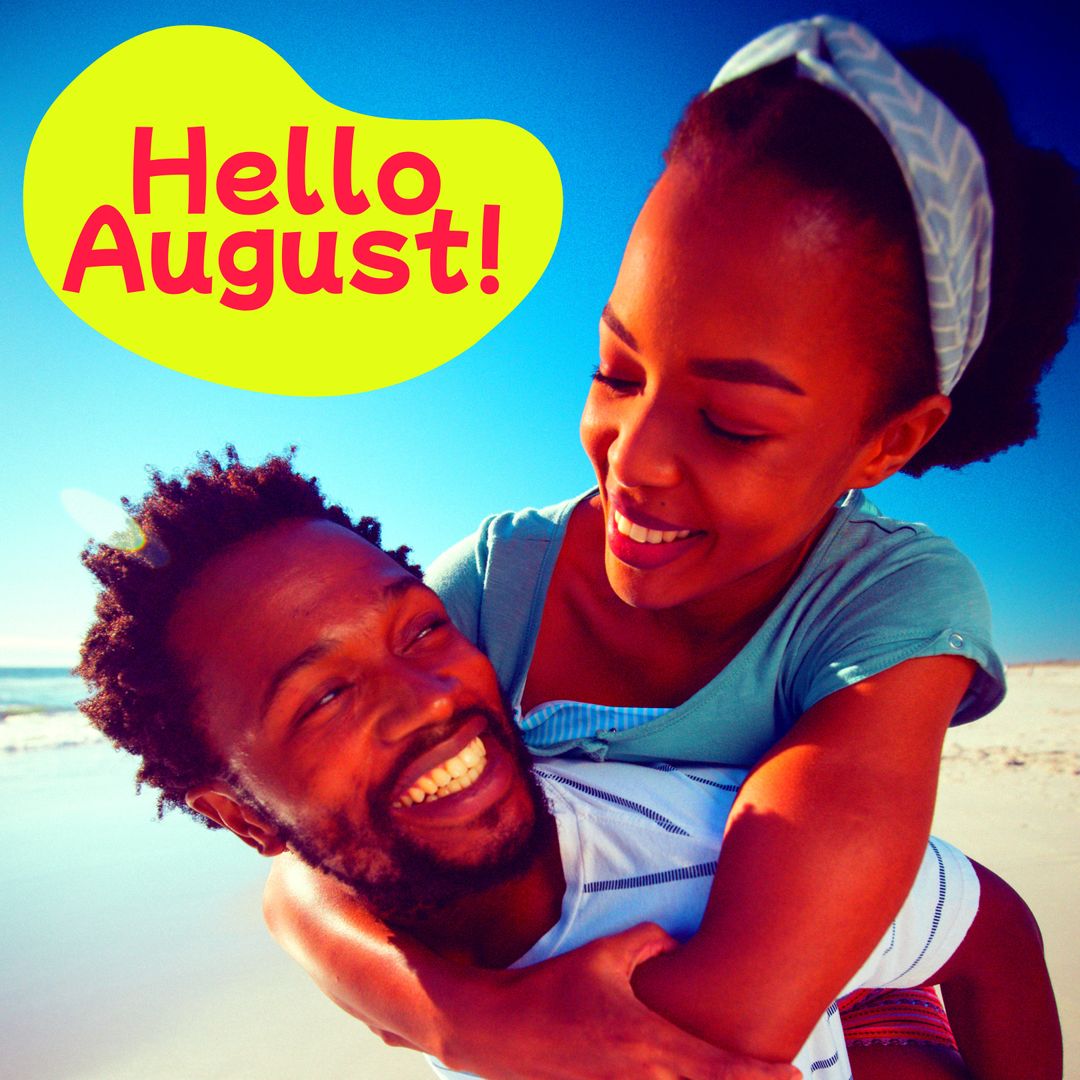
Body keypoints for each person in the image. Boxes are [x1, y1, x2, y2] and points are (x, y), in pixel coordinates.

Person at [262, 16, 1080, 1080]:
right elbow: (301, 873)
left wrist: (493, 1021)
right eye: (618, 370)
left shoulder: (887, 604)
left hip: (861, 1002)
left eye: (733, 423)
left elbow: (737, 1023)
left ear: (887, 441)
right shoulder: (501, 585)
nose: (633, 460)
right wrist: (466, 1023)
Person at [76, 450, 1058, 1080]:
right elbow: (298, 890)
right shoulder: (389, 932)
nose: (427, 699)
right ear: (245, 820)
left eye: (421, 630)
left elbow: (992, 932)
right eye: (323, 696)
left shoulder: (724, 848)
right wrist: (462, 1019)